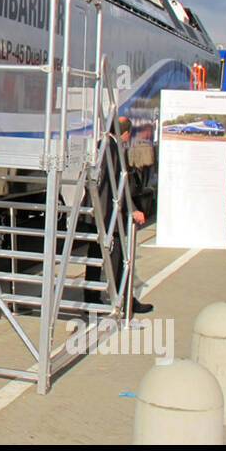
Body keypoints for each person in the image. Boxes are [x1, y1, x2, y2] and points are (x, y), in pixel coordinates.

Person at [84, 116, 153, 313]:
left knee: (95, 257)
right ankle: (124, 302)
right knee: (118, 259)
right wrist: (133, 209)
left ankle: (91, 299)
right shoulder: (114, 149)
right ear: (126, 133)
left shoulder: (100, 145)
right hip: (109, 213)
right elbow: (117, 185)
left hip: (95, 210)